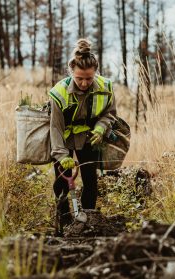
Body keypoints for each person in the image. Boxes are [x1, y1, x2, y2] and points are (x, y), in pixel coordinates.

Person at [49, 38, 116, 228]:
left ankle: (88, 221)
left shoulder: (105, 87)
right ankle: (63, 223)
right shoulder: (59, 93)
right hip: (63, 139)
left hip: (89, 137)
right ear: (71, 72)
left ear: (96, 72)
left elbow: (110, 114)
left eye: (89, 78)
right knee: (62, 183)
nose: (85, 83)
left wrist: (102, 127)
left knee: (90, 180)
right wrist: (62, 156)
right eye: (80, 78)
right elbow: (55, 128)